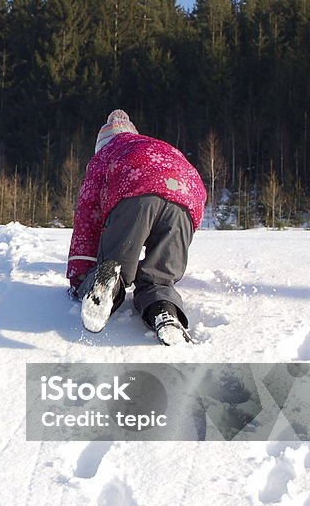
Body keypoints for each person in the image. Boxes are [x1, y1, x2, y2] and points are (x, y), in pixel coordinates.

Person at [67, 109, 206, 346]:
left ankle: (104, 286)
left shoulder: (105, 154)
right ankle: (165, 312)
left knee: (116, 265)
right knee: (160, 278)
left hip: (135, 192)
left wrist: (80, 273)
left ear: (102, 144)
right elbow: (196, 189)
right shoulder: (159, 146)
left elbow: (88, 214)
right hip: (186, 199)